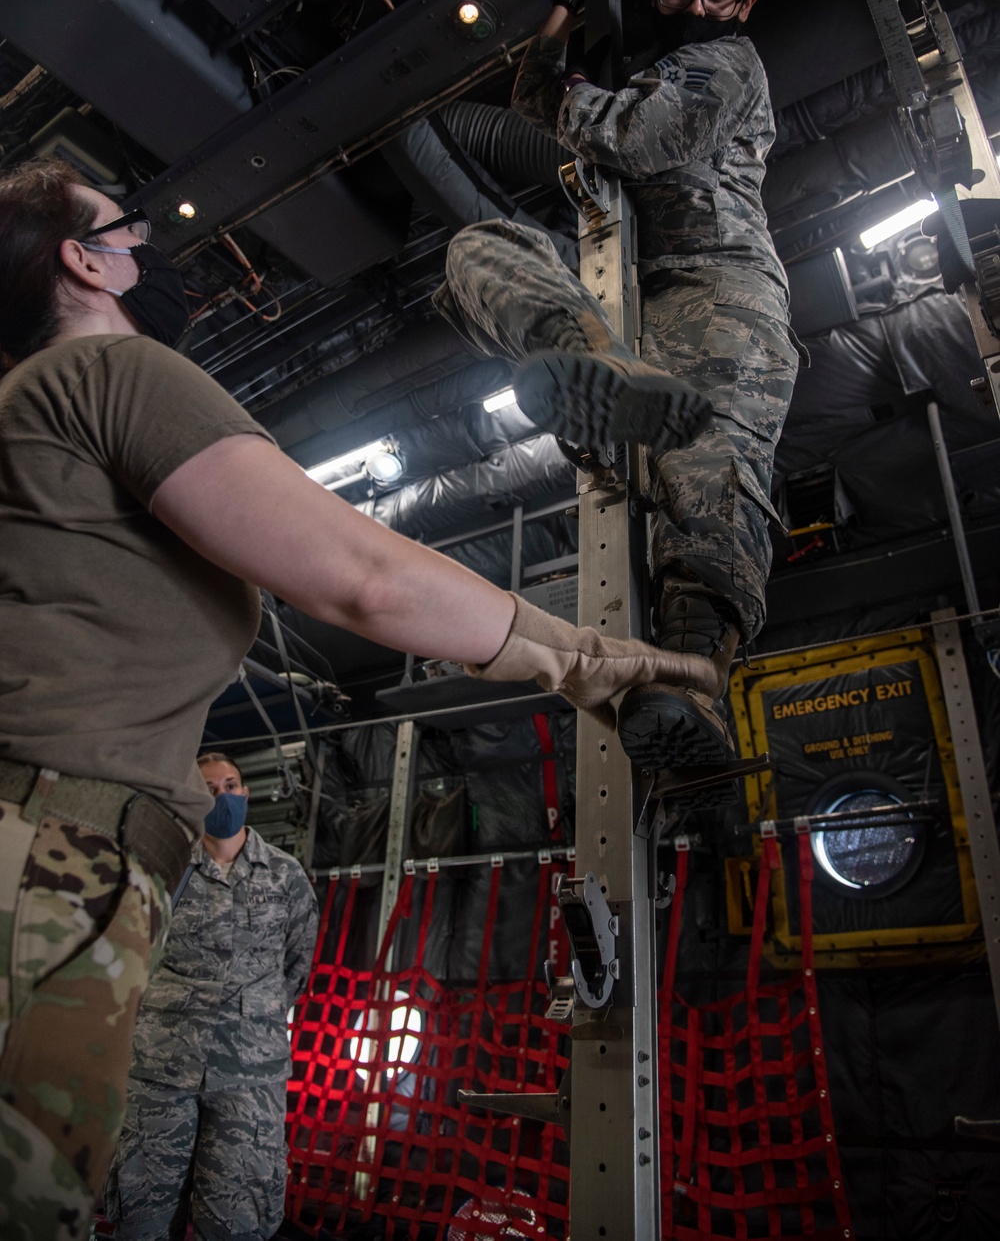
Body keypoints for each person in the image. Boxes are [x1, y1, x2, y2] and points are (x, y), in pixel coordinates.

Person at [0, 159, 712, 1240]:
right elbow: (363, 576)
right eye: (124, 228)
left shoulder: (21, 415)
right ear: (84, 258)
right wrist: (583, 658)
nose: (147, 249)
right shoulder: (109, 370)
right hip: (44, 860)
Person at [435, 0, 802, 773]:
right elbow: (538, 100)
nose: (697, 5)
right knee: (476, 251)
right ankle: (595, 372)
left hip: (720, 287)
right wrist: (561, 18)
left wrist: (578, 83)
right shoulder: (640, 72)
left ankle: (690, 685)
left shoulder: (724, 63)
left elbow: (634, 137)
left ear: (744, 5)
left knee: (705, 463)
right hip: (623, 294)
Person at [101, 752, 318, 1241]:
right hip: (161, 1065)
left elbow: (297, 964)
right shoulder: (165, 868)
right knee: (144, 1214)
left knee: (237, 1218)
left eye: (231, 785)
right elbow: (132, 949)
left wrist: (253, 1016)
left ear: (245, 793)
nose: (223, 796)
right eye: (210, 788)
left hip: (250, 1071)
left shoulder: (285, 876)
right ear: (193, 796)